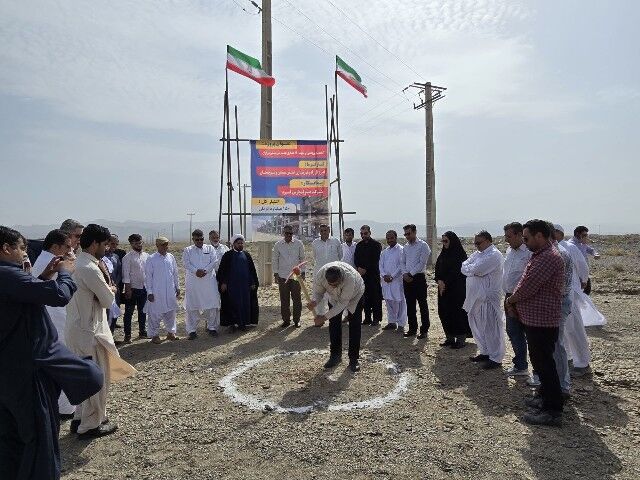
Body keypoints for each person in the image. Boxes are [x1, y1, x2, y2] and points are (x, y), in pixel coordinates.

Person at [0, 226, 103, 480]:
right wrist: (66, 274)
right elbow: (59, 295)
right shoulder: (6, 275)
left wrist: (44, 277)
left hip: (11, 371)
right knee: (39, 436)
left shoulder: (11, 277)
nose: (25, 254)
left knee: (13, 437)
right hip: (28, 373)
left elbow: (24, 299)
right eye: (22, 248)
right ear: (5, 248)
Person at [65, 224, 136, 437]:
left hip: (78, 328)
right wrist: (112, 289)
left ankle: (80, 419)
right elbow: (107, 299)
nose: (107, 248)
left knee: (83, 379)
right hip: (90, 332)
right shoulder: (89, 268)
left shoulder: (76, 262)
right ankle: (91, 425)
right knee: (97, 379)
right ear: (95, 243)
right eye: (105, 244)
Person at [506, 220, 565, 426]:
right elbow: (524, 280)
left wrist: (511, 300)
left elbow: (528, 286)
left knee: (545, 365)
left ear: (539, 236)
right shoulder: (539, 255)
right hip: (535, 319)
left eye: (527, 238)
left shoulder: (548, 258)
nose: (525, 242)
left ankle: (553, 410)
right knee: (540, 363)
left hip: (543, 321)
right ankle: (544, 398)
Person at [31, 229, 78, 419]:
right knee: (64, 362)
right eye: (67, 246)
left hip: (56, 319)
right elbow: (62, 292)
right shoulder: (52, 263)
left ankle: (64, 407)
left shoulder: (47, 260)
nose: (70, 249)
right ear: (56, 247)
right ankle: (64, 409)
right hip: (57, 320)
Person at [308, 262, 365, 372]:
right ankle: (335, 356)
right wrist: (314, 302)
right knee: (334, 324)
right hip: (334, 297)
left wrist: (323, 317)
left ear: (341, 278)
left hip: (355, 295)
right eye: (330, 284)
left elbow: (342, 304)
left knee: (354, 325)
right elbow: (319, 292)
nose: (333, 286)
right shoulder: (321, 275)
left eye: (335, 284)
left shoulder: (350, 279)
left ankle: (353, 360)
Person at [461, 230, 505, 369]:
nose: (476, 246)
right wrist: (472, 270)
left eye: (479, 243)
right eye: (475, 243)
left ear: (488, 240)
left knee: (491, 327)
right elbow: (464, 266)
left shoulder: (494, 255)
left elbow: (478, 270)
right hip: (476, 297)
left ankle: (496, 357)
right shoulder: (478, 254)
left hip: (488, 298)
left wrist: (472, 270)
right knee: (477, 325)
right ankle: (485, 351)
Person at [554, 225, 593, 377]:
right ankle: (569, 359)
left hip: (570, 293)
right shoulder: (552, 249)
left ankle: (582, 362)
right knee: (563, 331)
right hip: (560, 296)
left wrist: (583, 281)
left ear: (559, 234)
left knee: (575, 329)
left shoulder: (569, 247)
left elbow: (582, 266)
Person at [502, 222, 532, 376]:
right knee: (513, 331)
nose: (507, 240)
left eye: (509, 236)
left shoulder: (528, 252)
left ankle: (539, 371)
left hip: (523, 298)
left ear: (520, 235)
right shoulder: (509, 251)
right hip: (509, 297)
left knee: (530, 333)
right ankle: (521, 365)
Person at [434, 231, 470, 349]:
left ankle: (460, 339)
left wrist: (445, 282)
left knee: (457, 313)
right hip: (443, 290)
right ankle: (449, 337)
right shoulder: (443, 255)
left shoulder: (460, 255)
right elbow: (438, 269)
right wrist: (439, 280)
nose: (444, 244)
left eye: (446, 241)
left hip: (456, 290)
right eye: (442, 241)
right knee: (444, 312)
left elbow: (458, 271)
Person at [183, 229, 221, 339]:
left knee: (213, 304)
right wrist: (196, 271)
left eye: (201, 239)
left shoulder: (209, 248)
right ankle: (192, 330)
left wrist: (204, 271)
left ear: (204, 238)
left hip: (209, 281)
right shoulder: (188, 250)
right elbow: (186, 263)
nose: (199, 241)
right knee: (192, 306)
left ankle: (212, 327)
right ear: (193, 239)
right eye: (197, 239)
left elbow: (214, 261)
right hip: (193, 283)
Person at [217, 235, 259, 331]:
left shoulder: (246, 255)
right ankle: (232, 324)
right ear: (233, 244)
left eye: (241, 243)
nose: (240, 245)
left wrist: (253, 282)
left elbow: (251, 270)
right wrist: (223, 282)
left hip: (244, 286)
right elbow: (222, 271)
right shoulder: (227, 255)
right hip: (232, 286)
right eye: (238, 243)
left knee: (244, 304)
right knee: (232, 304)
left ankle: (242, 323)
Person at [144, 237, 180, 344]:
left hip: (170, 291)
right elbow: (148, 277)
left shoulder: (171, 257)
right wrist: (149, 292)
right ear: (157, 246)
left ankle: (171, 333)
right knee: (155, 314)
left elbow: (175, 273)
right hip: (156, 292)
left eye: (166, 245)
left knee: (171, 312)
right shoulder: (151, 258)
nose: (165, 247)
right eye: (163, 245)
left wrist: (177, 287)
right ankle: (154, 335)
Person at [401, 224, 431, 339]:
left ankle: (424, 330)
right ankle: (412, 328)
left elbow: (422, 263)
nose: (407, 236)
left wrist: (410, 274)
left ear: (414, 232)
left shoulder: (423, 246)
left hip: (418, 278)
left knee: (422, 304)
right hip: (407, 279)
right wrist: (404, 274)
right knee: (410, 304)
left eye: (409, 233)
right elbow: (402, 262)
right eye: (405, 234)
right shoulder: (405, 247)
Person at [272, 225, 305, 328]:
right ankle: (286, 320)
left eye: (290, 233)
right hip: (283, 276)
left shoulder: (299, 244)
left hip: (296, 276)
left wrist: (303, 272)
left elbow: (302, 259)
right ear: (283, 233)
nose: (288, 235)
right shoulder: (278, 245)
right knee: (284, 300)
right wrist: (275, 273)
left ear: (293, 234)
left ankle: (297, 320)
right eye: (286, 233)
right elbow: (275, 259)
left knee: (297, 299)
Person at [122, 233, 149, 343]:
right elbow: (126, 275)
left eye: (140, 242)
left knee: (143, 311)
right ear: (131, 244)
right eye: (136, 243)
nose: (139, 245)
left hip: (144, 288)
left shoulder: (146, 256)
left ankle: (142, 332)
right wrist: (128, 289)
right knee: (129, 312)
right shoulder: (127, 258)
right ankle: (127, 335)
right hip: (133, 289)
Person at [354, 225, 383, 326]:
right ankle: (367, 318)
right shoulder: (359, 245)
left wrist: (365, 269)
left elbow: (375, 260)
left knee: (375, 297)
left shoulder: (376, 245)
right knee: (364, 298)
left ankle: (376, 318)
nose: (363, 235)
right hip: (362, 276)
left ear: (370, 233)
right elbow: (356, 258)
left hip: (373, 275)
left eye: (365, 233)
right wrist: (358, 268)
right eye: (361, 234)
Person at [379, 230, 407, 332]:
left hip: (397, 281)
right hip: (385, 281)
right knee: (388, 301)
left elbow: (401, 265)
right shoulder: (384, 252)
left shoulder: (401, 250)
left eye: (391, 238)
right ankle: (392, 322)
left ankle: (401, 324)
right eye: (388, 238)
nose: (389, 240)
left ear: (396, 238)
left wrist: (392, 276)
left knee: (399, 302)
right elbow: (380, 265)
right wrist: (384, 275)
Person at [311, 224, 342, 316]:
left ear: (329, 230)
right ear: (319, 232)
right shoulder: (315, 243)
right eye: (322, 231)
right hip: (320, 273)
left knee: (335, 295)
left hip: (334, 273)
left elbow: (340, 256)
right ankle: (320, 315)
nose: (324, 232)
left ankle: (335, 315)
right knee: (319, 294)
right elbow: (315, 257)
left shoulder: (336, 241)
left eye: (325, 230)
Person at [568, 225, 599, 295]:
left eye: (586, 235)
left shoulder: (582, 243)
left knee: (587, 291)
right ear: (577, 234)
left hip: (584, 272)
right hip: (577, 273)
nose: (586, 237)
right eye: (584, 235)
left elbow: (590, 250)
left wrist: (595, 254)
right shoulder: (571, 245)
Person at [106, 234, 126, 329]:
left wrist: (115, 284)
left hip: (115, 289)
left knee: (115, 312)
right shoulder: (100, 258)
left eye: (116, 244)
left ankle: (112, 337)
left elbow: (119, 272)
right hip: (105, 289)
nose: (114, 246)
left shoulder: (116, 257)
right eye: (112, 243)